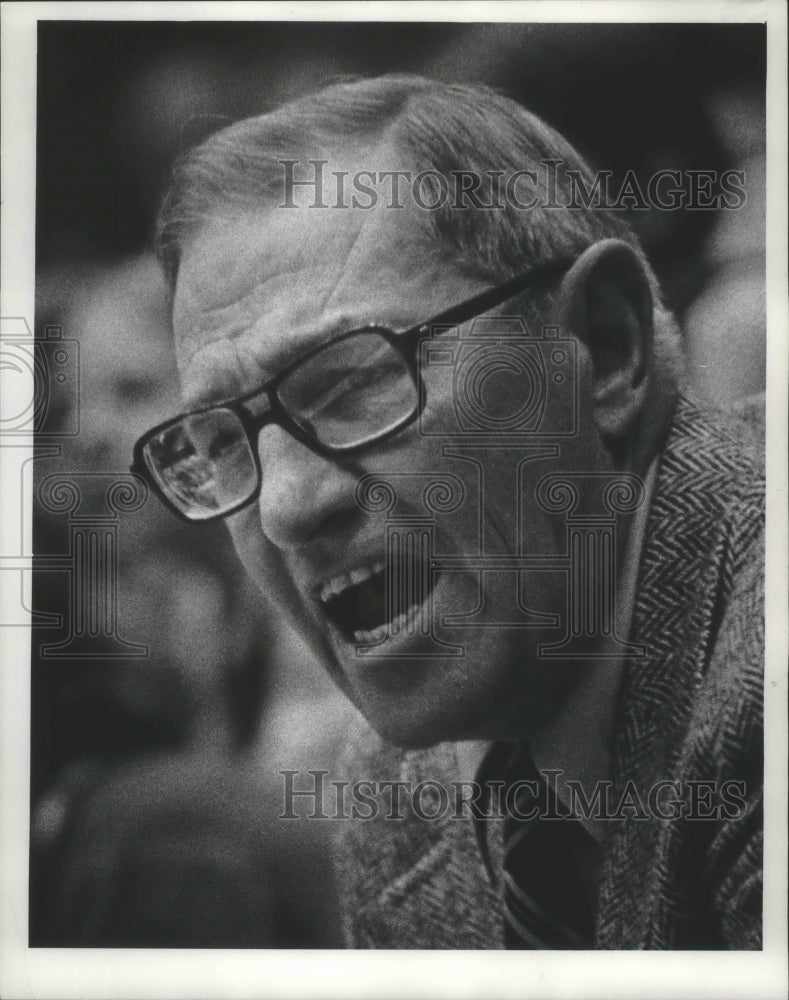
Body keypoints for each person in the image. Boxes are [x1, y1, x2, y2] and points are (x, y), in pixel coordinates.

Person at [132, 76, 763, 949]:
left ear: (603, 347)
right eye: (222, 443)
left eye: (353, 381)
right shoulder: (399, 790)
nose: (285, 507)